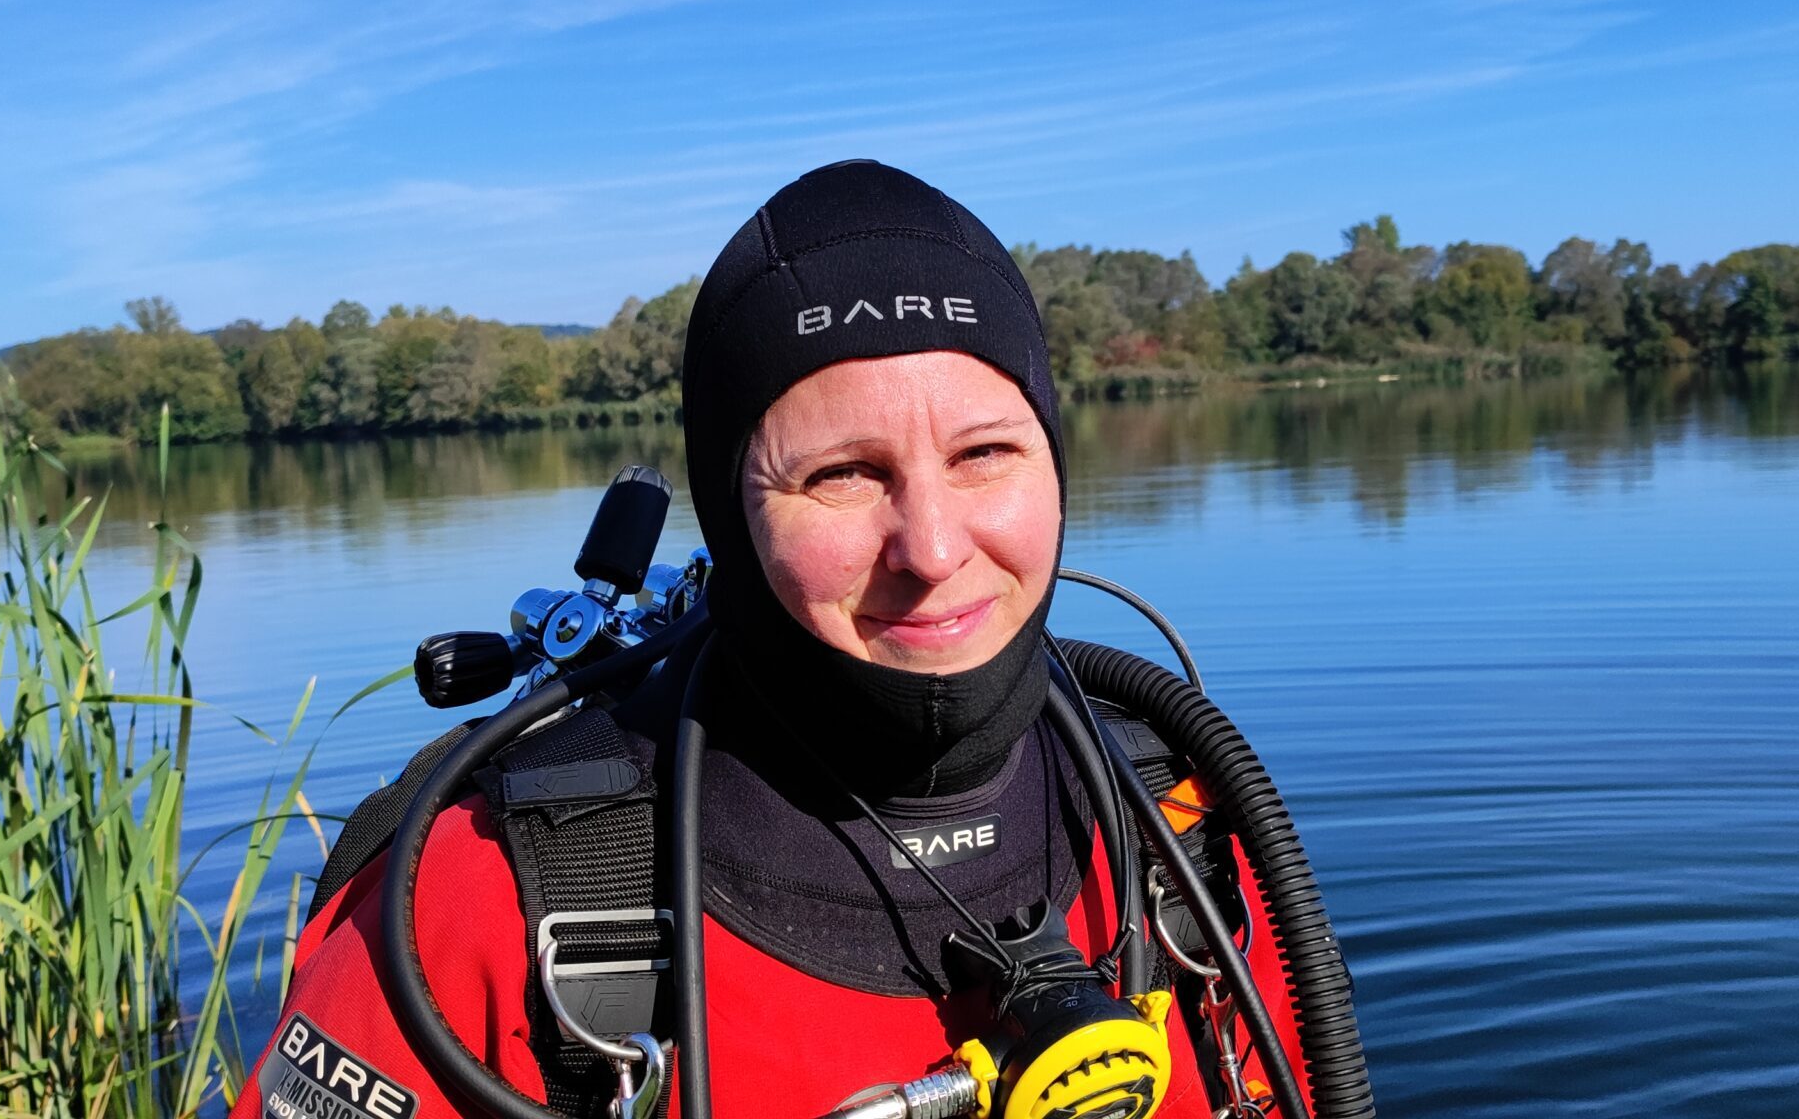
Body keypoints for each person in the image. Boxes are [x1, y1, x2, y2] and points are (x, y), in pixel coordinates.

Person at [234, 160, 1370, 1119]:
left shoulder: (1175, 822)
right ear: (731, 516)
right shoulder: (498, 891)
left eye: (986, 454)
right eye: (841, 474)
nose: (930, 546)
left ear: (1057, 468)